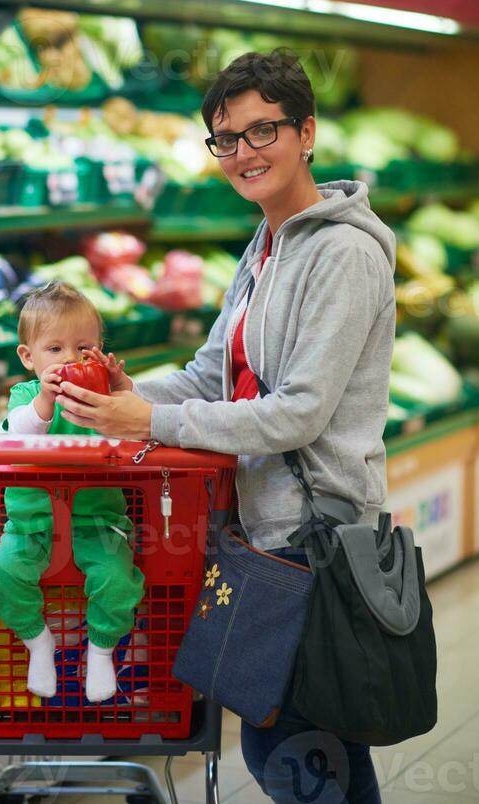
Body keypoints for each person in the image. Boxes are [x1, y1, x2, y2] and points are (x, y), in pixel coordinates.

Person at [55, 50, 396, 803]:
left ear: (306, 132)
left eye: (262, 131)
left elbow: (300, 412)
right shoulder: (264, 245)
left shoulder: (341, 252)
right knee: (310, 742)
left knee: (299, 743)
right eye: (227, 138)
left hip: (317, 537)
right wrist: (119, 390)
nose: (244, 153)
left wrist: (149, 417)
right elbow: (211, 373)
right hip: (265, 533)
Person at [0, 280, 145, 704]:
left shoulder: (103, 396)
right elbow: (20, 431)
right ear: (27, 357)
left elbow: (134, 427)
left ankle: (101, 651)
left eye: (83, 347)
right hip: (31, 523)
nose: (70, 359)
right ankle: (38, 643)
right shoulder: (24, 395)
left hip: (98, 520)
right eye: (55, 349)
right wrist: (44, 399)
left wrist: (121, 387)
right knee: (1, 574)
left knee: (117, 579)